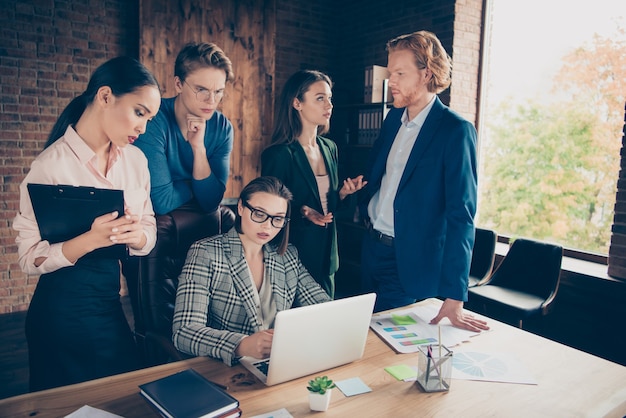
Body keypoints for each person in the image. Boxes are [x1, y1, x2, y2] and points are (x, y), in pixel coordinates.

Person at [12, 56, 161, 391]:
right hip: (59, 312)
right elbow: (27, 258)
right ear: (105, 96)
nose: (143, 128)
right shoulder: (49, 167)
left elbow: (149, 230)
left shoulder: (136, 162)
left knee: (124, 397)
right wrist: (92, 239)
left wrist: (137, 236)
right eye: (139, 112)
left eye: (150, 119)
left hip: (109, 302)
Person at [359, 30, 489, 332]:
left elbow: (462, 215)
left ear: (426, 73)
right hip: (371, 250)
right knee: (364, 338)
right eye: (391, 73)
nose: (391, 81)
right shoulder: (392, 119)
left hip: (409, 263)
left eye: (400, 73)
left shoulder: (456, 131)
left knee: (392, 355)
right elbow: (382, 177)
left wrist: (455, 295)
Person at [172, 176, 331, 366]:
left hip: (282, 362)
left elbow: (323, 306)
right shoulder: (206, 252)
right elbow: (184, 331)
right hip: (229, 367)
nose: (267, 226)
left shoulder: (287, 255)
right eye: (259, 213)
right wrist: (242, 345)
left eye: (277, 218)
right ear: (240, 207)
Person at [261, 70, 366, 297]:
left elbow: (331, 208)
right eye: (320, 98)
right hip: (293, 257)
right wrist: (302, 211)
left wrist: (344, 194)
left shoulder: (330, 148)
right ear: (297, 103)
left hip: (328, 257)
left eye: (329, 98)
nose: (328, 104)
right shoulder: (279, 154)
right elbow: (268, 211)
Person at [133, 42, 234, 215]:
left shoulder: (222, 128)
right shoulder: (153, 119)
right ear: (178, 84)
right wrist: (196, 184)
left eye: (218, 91)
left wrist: (198, 149)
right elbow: (162, 202)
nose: (211, 100)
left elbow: (211, 202)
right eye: (201, 89)